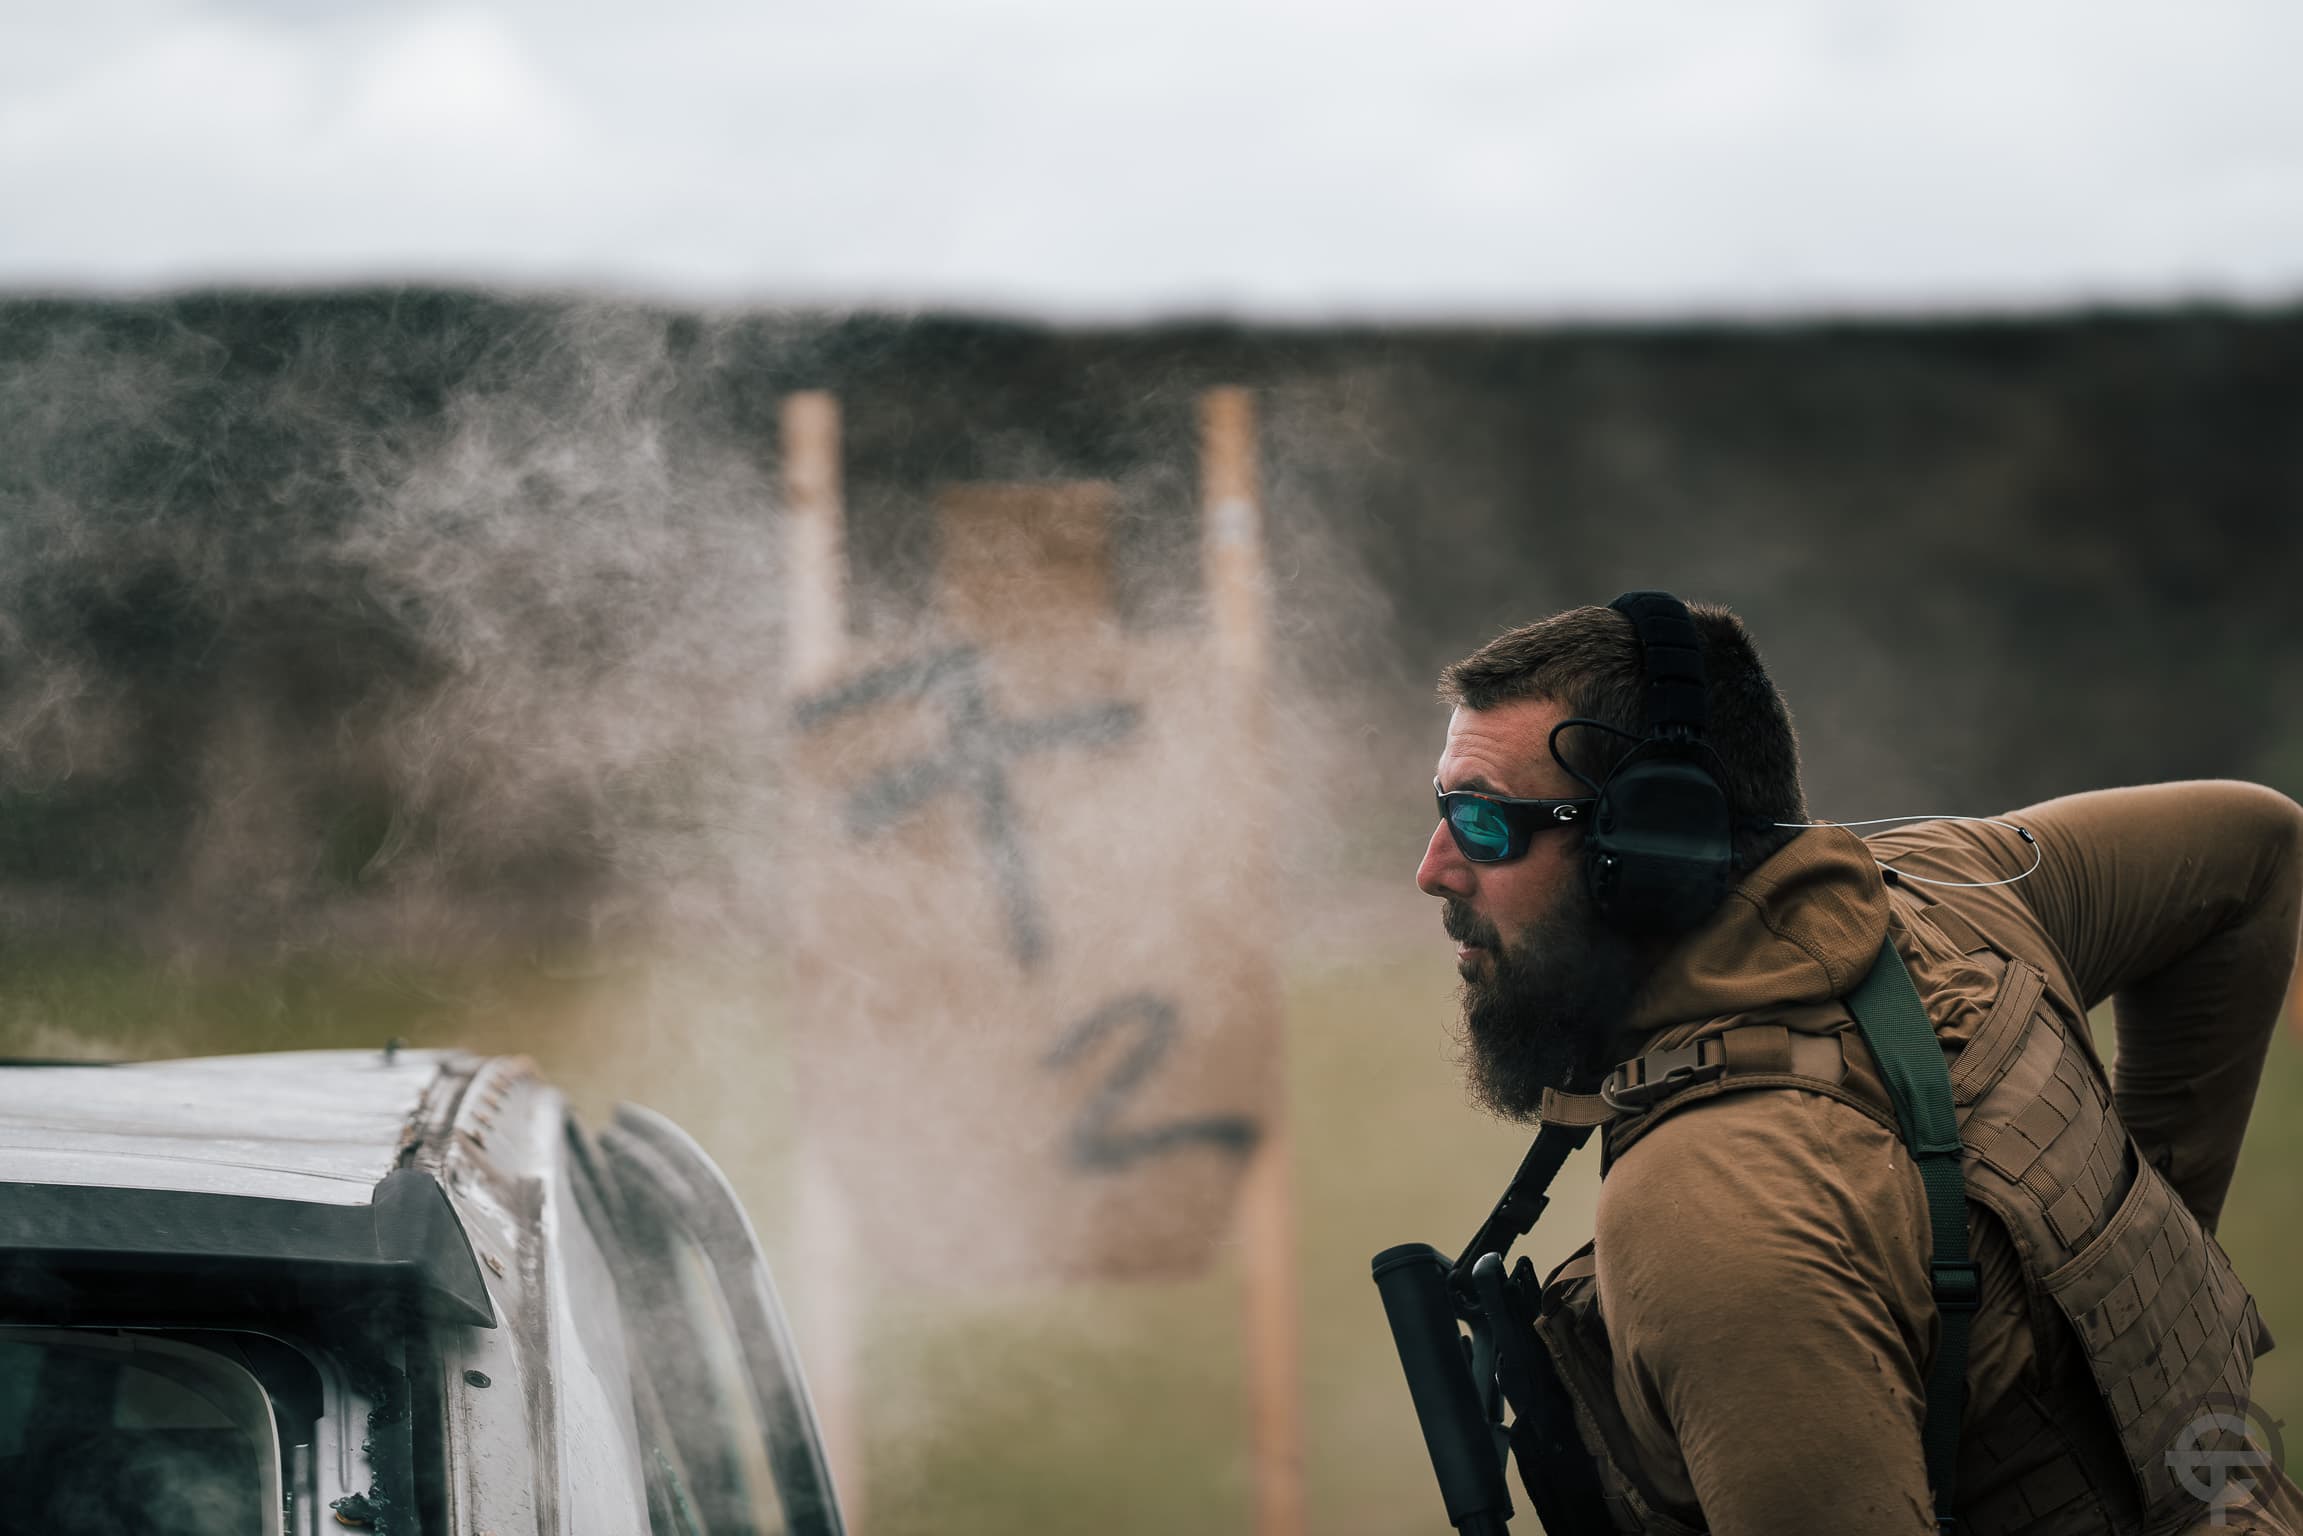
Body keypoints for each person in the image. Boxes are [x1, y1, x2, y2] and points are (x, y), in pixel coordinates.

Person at [1413, 596, 2303, 1535]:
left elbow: (2254, 854)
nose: (1432, 869)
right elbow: (2250, 842)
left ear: (1649, 847)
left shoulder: (1710, 1212)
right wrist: (2141, 1272)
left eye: (1483, 823)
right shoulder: (1951, 892)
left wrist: (2140, 1249)